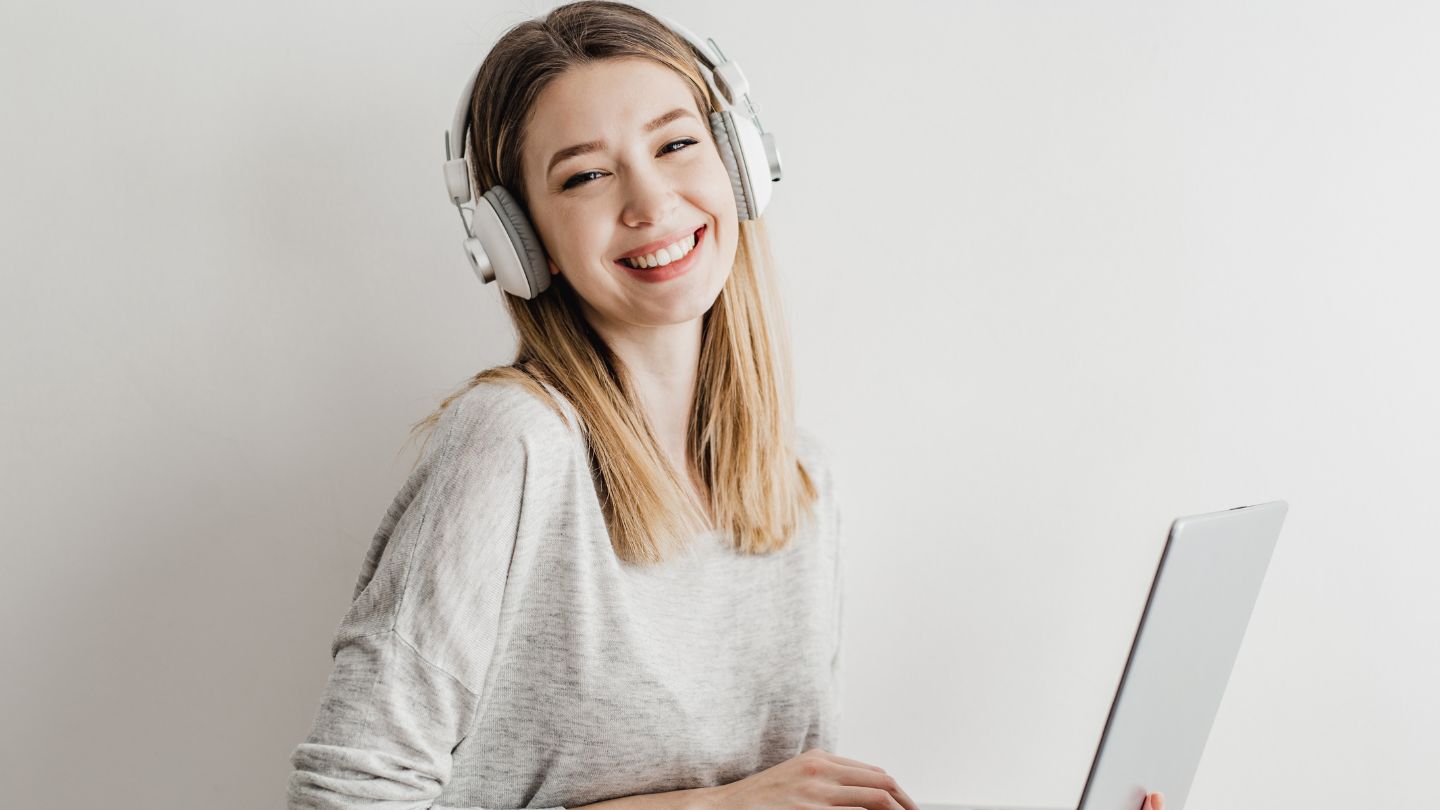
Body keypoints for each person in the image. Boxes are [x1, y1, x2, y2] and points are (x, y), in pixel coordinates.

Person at [286, 4, 1165, 810]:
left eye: (675, 147)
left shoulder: (798, 480)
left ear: (740, 163)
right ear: (519, 244)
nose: (650, 202)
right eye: (586, 175)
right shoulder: (512, 447)